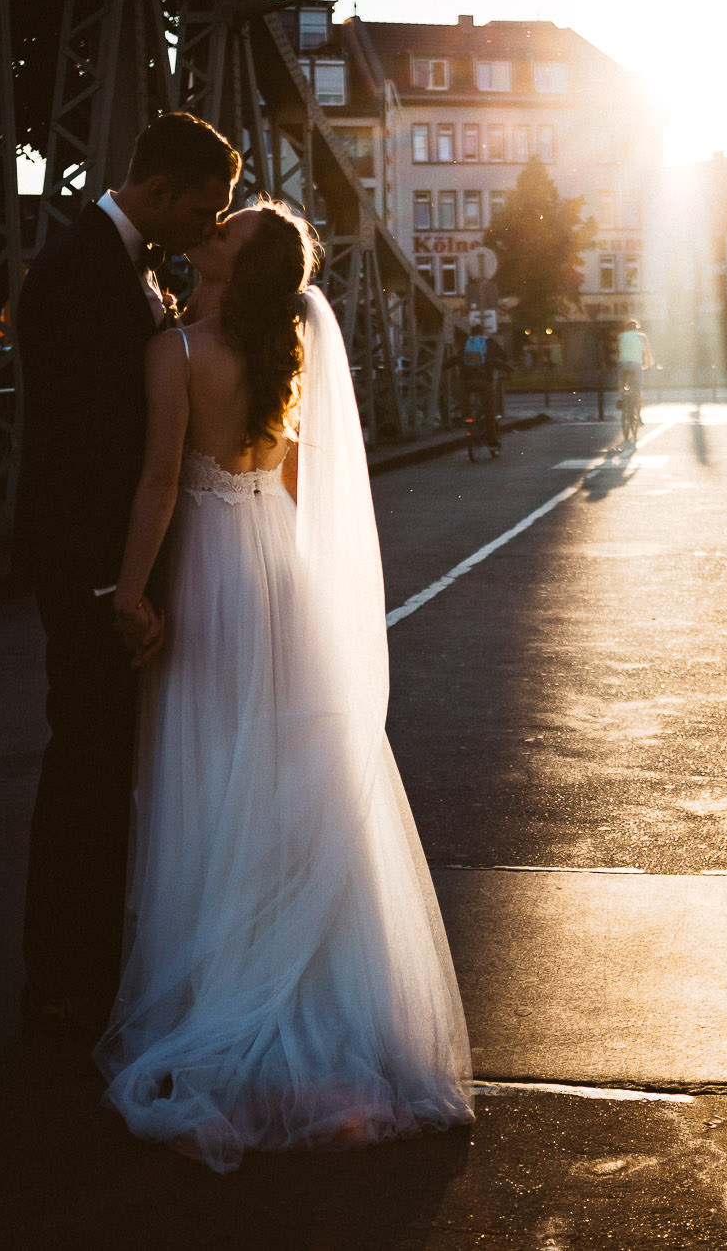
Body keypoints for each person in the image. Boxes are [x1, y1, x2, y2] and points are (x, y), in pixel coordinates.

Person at [98, 198, 474, 1172]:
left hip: (211, 570)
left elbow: (155, 481)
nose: (208, 233)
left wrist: (132, 589)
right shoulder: (285, 354)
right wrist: (299, 587)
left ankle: (223, 984)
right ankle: (313, 988)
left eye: (224, 231)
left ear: (235, 264)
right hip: (276, 568)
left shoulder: (177, 353)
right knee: (287, 781)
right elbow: (300, 487)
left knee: (210, 772)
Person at [11, 112, 240, 1045]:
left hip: (123, 572)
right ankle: (60, 985)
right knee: (85, 778)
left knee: (112, 781)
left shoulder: (134, 268)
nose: (212, 225)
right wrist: (114, 588)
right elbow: (77, 453)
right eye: (206, 205)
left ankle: (96, 972)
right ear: (159, 190)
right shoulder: (75, 274)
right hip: (91, 575)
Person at [456, 321, 505, 452]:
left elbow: (457, 358)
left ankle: (468, 421)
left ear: (471, 333)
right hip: (484, 381)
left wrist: (445, 366)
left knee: (466, 408)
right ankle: (492, 443)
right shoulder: (489, 342)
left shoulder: (467, 342)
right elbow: (502, 355)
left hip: (466, 381)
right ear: (483, 332)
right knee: (489, 412)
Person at [616, 318, 654, 426]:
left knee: (622, 384)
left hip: (622, 364)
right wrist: (648, 365)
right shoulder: (642, 336)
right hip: (636, 364)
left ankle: (623, 397)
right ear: (637, 328)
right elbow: (647, 352)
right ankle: (639, 417)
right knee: (637, 391)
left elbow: (619, 351)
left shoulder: (621, 336)